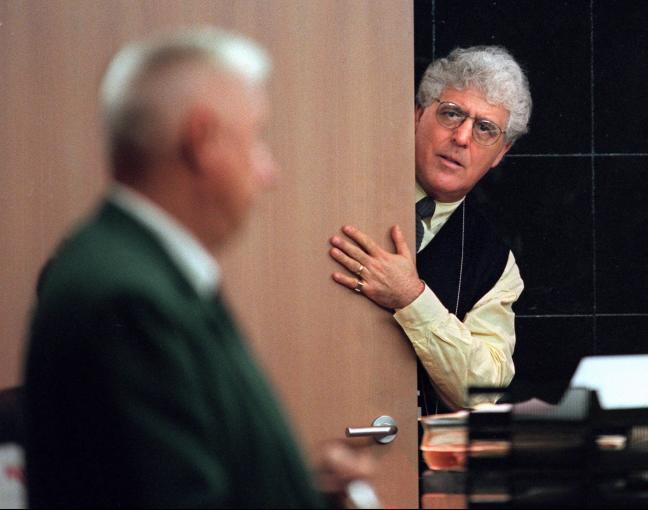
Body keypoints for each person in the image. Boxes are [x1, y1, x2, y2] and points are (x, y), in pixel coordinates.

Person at [23, 28, 369, 507]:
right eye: (257, 139)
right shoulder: (127, 297)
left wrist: (301, 490)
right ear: (202, 141)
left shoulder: (147, 270)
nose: (269, 173)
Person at [328, 46, 532, 414]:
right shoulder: (337, 195)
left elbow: (481, 393)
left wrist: (411, 297)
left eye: (485, 128)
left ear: (501, 152)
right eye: (452, 114)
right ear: (417, 115)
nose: (462, 138)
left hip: (412, 462)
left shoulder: (496, 263)